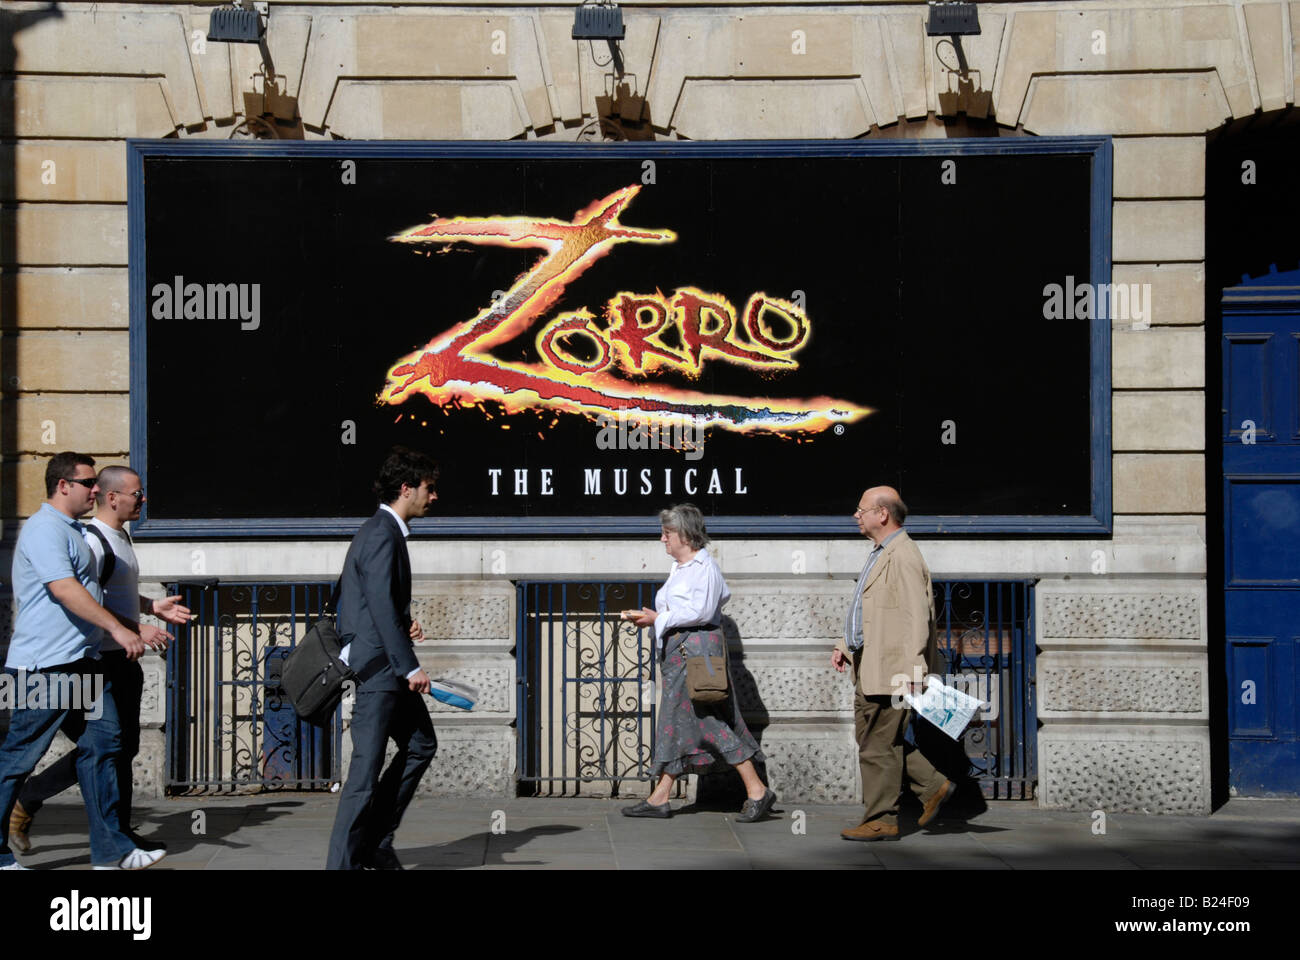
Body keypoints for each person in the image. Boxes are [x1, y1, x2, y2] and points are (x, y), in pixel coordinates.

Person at [7, 466, 190, 854]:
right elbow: (80, 597)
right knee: (45, 753)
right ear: (112, 497)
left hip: (109, 657)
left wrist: (151, 607)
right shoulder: (84, 538)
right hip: (85, 659)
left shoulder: (115, 536)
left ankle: (115, 840)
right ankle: (28, 802)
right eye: (137, 494)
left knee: (113, 748)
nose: (143, 500)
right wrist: (133, 629)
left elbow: (105, 593)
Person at [621, 503, 775, 822]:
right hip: (682, 654)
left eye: (667, 533)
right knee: (678, 721)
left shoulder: (705, 568)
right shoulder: (682, 567)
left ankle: (757, 789)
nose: (662, 539)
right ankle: (660, 797)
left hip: (694, 654)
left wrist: (658, 618)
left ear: (685, 535)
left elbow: (703, 612)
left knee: (705, 721)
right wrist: (656, 620)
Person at [326, 447, 440, 870]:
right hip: (380, 671)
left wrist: (404, 621)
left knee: (420, 744)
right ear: (407, 489)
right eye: (429, 489)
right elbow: (374, 601)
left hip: (386, 665)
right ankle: (342, 864)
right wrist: (408, 664)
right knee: (362, 776)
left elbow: (374, 601)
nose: (434, 497)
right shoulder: (380, 533)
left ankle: (374, 841)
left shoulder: (383, 532)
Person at [832, 486, 955, 841]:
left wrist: (914, 670)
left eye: (861, 510)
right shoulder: (881, 552)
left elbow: (917, 618)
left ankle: (882, 819)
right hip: (869, 663)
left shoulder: (903, 556)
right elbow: (868, 609)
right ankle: (933, 786)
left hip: (891, 669)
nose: (856, 516)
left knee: (876, 743)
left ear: (882, 514)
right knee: (877, 739)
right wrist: (845, 644)